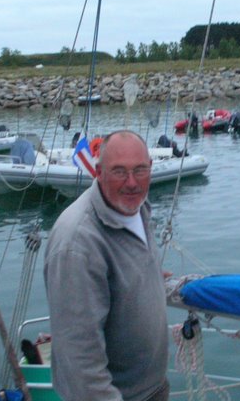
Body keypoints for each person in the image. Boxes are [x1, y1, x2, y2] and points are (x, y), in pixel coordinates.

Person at [44, 130, 169, 401]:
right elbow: (80, 362)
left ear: (150, 167)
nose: (132, 182)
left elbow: (123, 272)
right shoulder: (78, 244)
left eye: (140, 170)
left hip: (151, 389)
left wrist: (151, 279)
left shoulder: (137, 207)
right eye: (119, 172)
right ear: (99, 172)